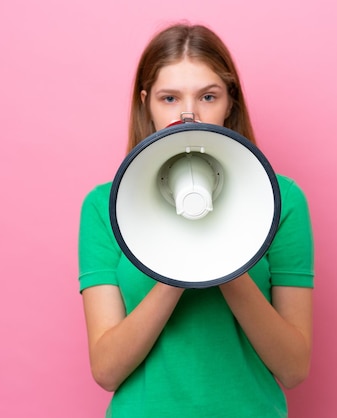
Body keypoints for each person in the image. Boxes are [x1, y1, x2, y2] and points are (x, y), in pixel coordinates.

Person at [78, 23, 315, 417]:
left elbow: (293, 369)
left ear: (230, 103)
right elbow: (107, 370)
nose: (189, 114)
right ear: (146, 103)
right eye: (169, 98)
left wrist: (227, 255)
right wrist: (180, 263)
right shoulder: (104, 208)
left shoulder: (282, 201)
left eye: (208, 95)